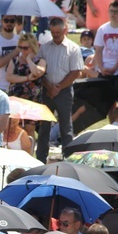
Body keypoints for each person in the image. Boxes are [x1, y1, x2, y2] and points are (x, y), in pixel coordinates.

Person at [37, 17, 84, 163]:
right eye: (52, 32)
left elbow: (76, 72)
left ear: (64, 30)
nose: (55, 35)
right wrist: (49, 86)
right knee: (44, 126)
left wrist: (58, 87)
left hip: (64, 92)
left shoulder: (73, 48)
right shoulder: (44, 48)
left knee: (66, 126)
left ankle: (69, 158)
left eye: (58, 32)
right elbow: (39, 71)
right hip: (47, 90)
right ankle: (40, 158)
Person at [6, 32, 46, 138]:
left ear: (32, 47)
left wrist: (29, 59)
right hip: (16, 99)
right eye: (20, 47)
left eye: (26, 48)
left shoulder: (40, 61)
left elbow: (37, 73)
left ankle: (29, 151)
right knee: (15, 128)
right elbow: (9, 77)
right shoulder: (14, 60)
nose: (23, 51)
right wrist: (27, 78)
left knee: (30, 129)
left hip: (32, 101)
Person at [93, 0, 118, 104]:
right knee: (108, 102)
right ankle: (113, 121)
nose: (113, 14)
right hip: (105, 69)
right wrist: (102, 69)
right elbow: (98, 50)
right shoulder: (102, 29)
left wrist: (114, 68)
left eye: (116, 12)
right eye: (111, 11)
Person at [0, 14, 21, 92]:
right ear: (1, 21)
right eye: (6, 20)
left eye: (12, 20)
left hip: (17, 85)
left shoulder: (20, 40)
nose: (9, 23)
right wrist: (16, 51)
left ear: (15, 22)